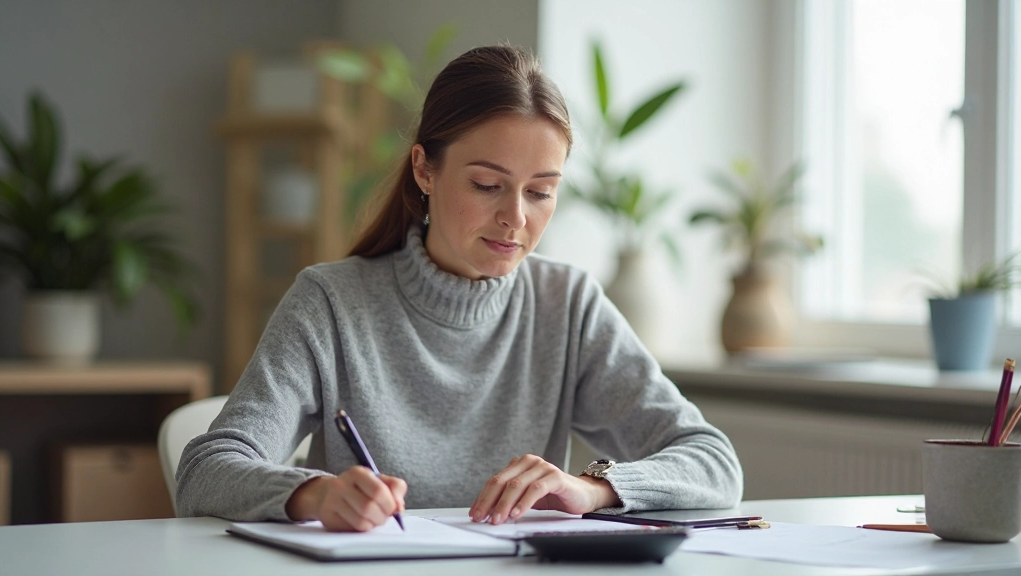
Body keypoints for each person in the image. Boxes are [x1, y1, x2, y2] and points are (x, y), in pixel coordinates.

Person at [176, 45, 742, 532]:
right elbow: (205, 470)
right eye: (488, 185)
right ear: (425, 170)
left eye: (541, 192)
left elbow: (713, 462)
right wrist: (315, 495)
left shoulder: (567, 305)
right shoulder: (330, 302)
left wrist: (593, 488)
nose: (515, 218)